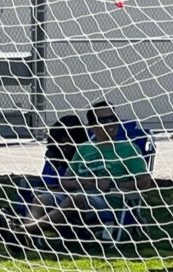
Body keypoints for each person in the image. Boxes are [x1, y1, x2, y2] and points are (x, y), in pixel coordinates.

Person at [36, 100, 154, 241]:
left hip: (108, 200)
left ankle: (26, 230)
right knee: (41, 198)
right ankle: (23, 234)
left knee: (77, 199)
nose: (110, 123)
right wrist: (81, 183)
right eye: (103, 120)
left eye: (113, 118)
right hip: (79, 193)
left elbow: (145, 182)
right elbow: (65, 181)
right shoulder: (84, 148)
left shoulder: (128, 148)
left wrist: (110, 185)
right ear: (93, 126)